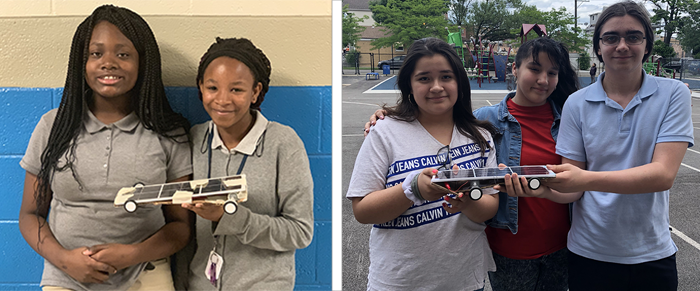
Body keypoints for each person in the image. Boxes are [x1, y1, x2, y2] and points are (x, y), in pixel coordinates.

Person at [18, 5, 193, 291]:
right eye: (96, 53)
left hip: (144, 271)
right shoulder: (54, 126)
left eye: (123, 54)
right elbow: (29, 215)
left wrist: (133, 254)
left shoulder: (168, 132)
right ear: (81, 62)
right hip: (67, 277)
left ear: (143, 63)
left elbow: (180, 227)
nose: (108, 63)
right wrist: (64, 260)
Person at [544, 2, 694, 290]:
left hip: (652, 253)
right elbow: (573, 188)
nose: (622, 45)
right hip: (589, 253)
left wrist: (584, 179)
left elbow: (662, 175)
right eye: (611, 37)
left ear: (647, 44)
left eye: (633, 37)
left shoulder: (673, 94)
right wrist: (537, 187)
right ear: (598, 47)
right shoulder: (577, 103)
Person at [347, 37, 500, 291]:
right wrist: (412, 189)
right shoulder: (384, 132)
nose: (437, 86)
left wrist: (468, 201)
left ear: (459, 83)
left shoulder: (480, 137)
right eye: (424, 78)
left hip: (465, 280)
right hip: (399, 282)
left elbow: (489, 207)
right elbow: (362, 210)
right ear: (409, 84)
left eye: (446, 77)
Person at [181, 37, 314, 290]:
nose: (222, 100)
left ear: (255, 92)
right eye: (212, 88)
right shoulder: (193, 139)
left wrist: (229, 216)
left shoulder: (283, 143)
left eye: (236, 89)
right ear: (200, 87)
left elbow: (300, 232)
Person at [473, 37, 581, 291]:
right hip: (509, 250)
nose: (543, 80)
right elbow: (435, 128)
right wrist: (387, 116)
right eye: (535, 69)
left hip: (562, 248)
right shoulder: (483, 121)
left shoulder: (569, 119)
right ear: (515, 68)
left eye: (552, 73)